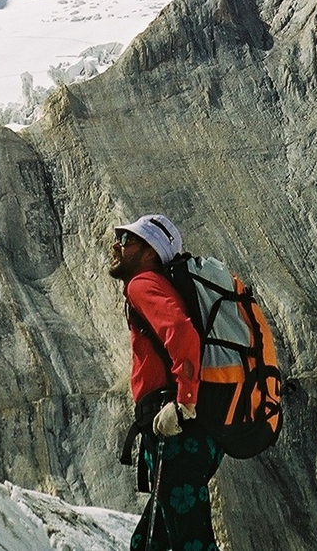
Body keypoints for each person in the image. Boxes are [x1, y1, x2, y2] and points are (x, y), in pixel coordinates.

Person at [109, 214, 224, 551]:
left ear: (150, 252)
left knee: (192, 541)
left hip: (176, 427)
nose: (118, 245)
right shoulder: (164, 284)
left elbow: (181, 332)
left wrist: (184, 400)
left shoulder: (143, 282)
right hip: (189, 428)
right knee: (148, 542)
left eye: (128, 240)